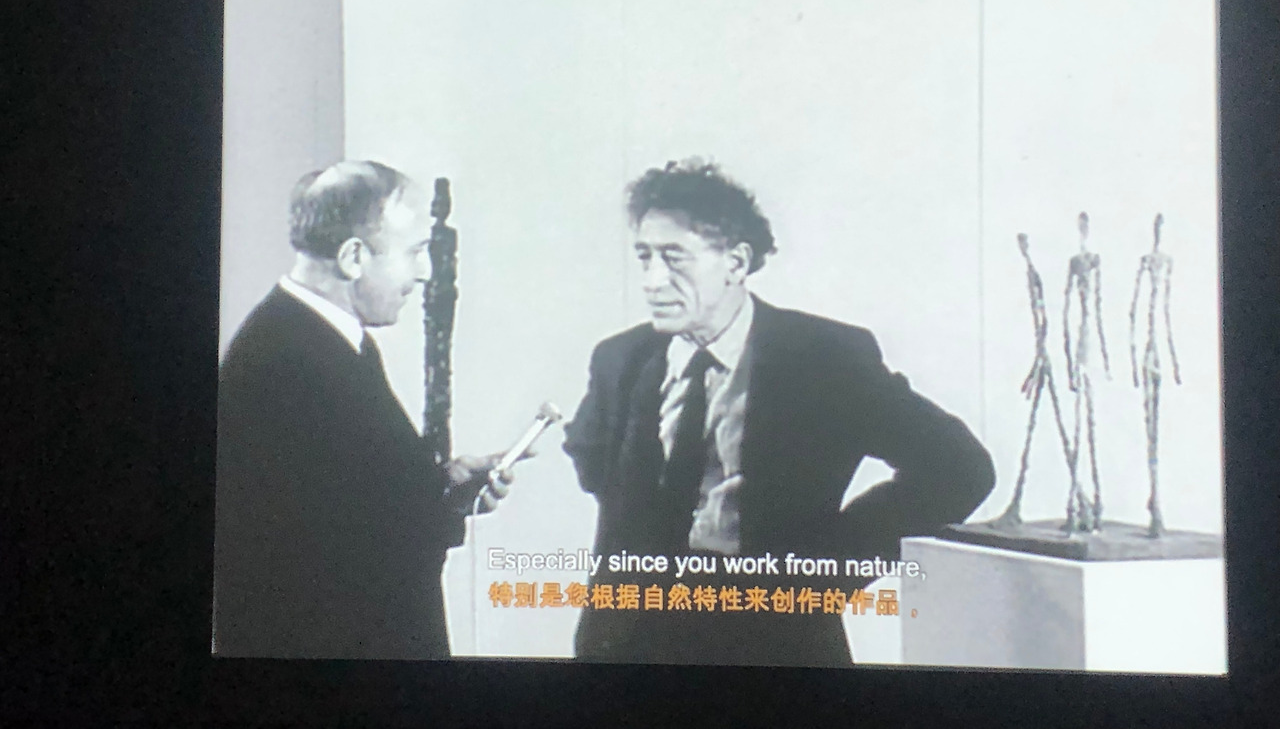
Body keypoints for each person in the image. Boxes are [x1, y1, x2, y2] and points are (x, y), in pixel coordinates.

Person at [563, 159, 995, 666]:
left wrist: (829, 564)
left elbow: (959, 469)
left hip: (775, 647)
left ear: (736, 262)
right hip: (630, 649)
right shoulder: (619, 360)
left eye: (674, 259)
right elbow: (594, 464)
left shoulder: (824, 358)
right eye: (645, 257)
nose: (653, 280)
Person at [214, 160, 514, 659]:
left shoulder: (323, 340)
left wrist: (444, 489)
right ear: (353, 257)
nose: (425, 272)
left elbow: (354, 498)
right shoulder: (285, 362)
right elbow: (341, 551)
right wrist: (436, 506)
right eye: (414, 252)